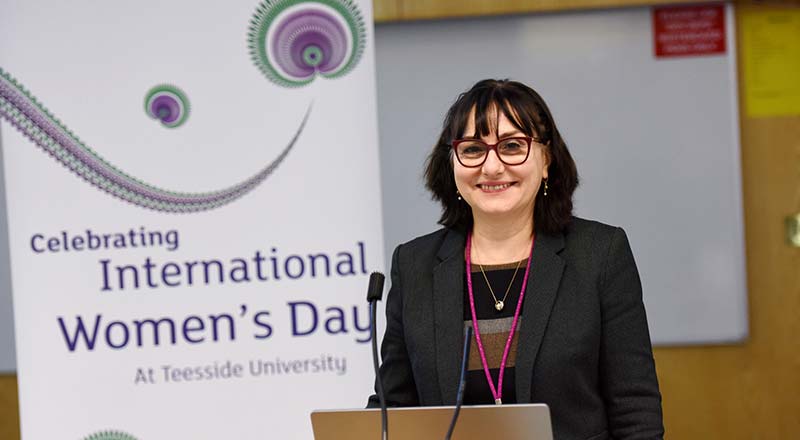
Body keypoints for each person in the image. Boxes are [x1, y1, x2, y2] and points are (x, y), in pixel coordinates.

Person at [368, 79, 664, 440]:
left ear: (546, 161)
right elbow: (392, 410)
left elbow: (635, 410)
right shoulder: (415, 265)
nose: (491, 167)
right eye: (474, 149)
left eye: (511, 146)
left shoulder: (599, 253)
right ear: (453, 163)